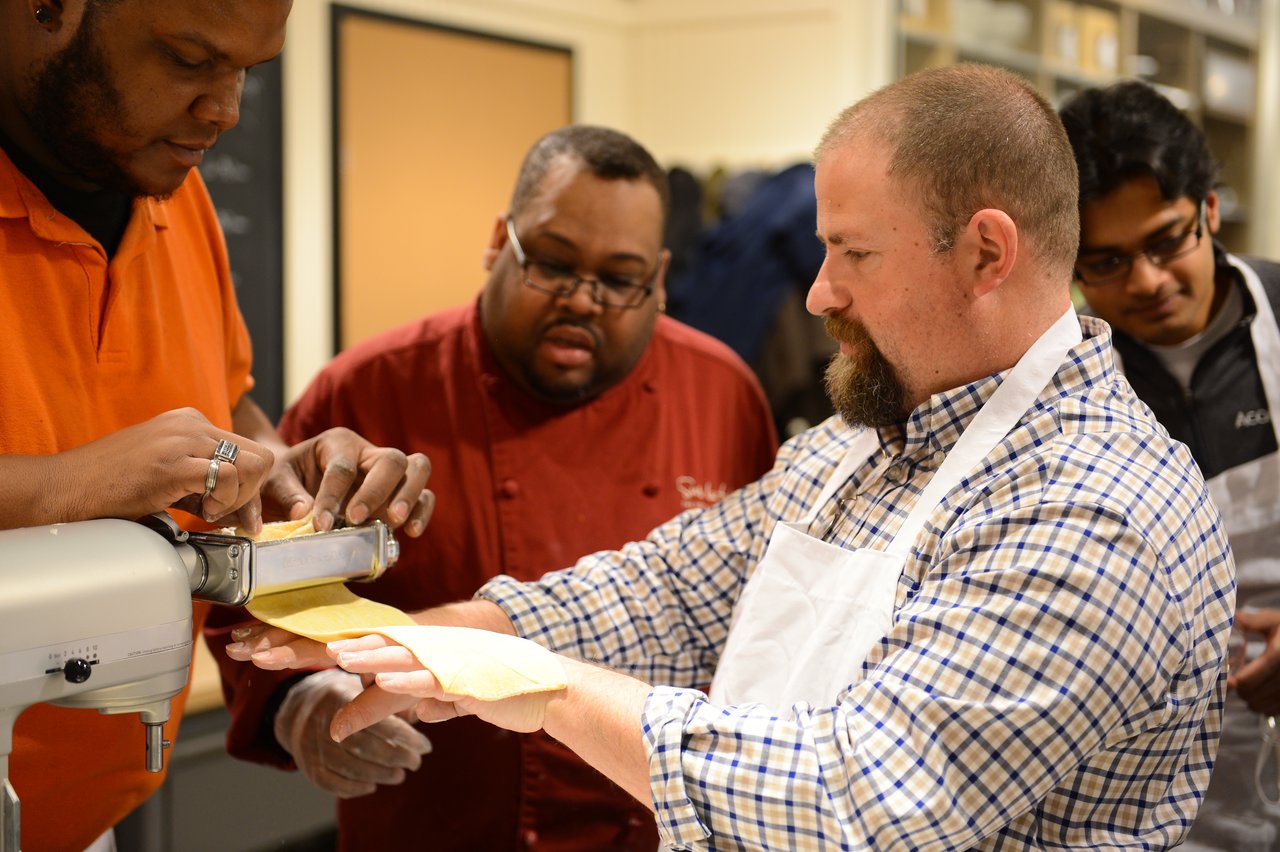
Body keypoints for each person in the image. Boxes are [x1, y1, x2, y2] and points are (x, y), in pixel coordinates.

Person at [231, 64, 1237, 849]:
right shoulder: (863, 445)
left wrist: (531, 682)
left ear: (985, 252)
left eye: (853, 253)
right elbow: (672, 591)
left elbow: (854, 801)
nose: (818, 294)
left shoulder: (1095, 505)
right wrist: (447, 636)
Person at [205, 125, 779, 851]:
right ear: (497, 241)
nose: (582, 301)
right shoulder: (370, 387)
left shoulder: (724, 394)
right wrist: (304, 703)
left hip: (655, 825)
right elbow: (247, 584)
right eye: (552, 263)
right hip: (438, 820)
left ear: (660, 279)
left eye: (620, 280)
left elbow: (753, 616)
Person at [0, 1, 434, 850]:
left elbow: (225, 403)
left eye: (248, 71)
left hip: (82, 821)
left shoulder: (174, 189)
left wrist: (274, 469)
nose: (226, 110)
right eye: (190, 59)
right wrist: (65, 487)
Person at [1058, 80, 1280, 850]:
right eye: (1108, 261)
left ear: (1210, 211)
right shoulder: (1064, 384)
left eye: (1166, 241)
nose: (1147, 281)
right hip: (1154, 788)